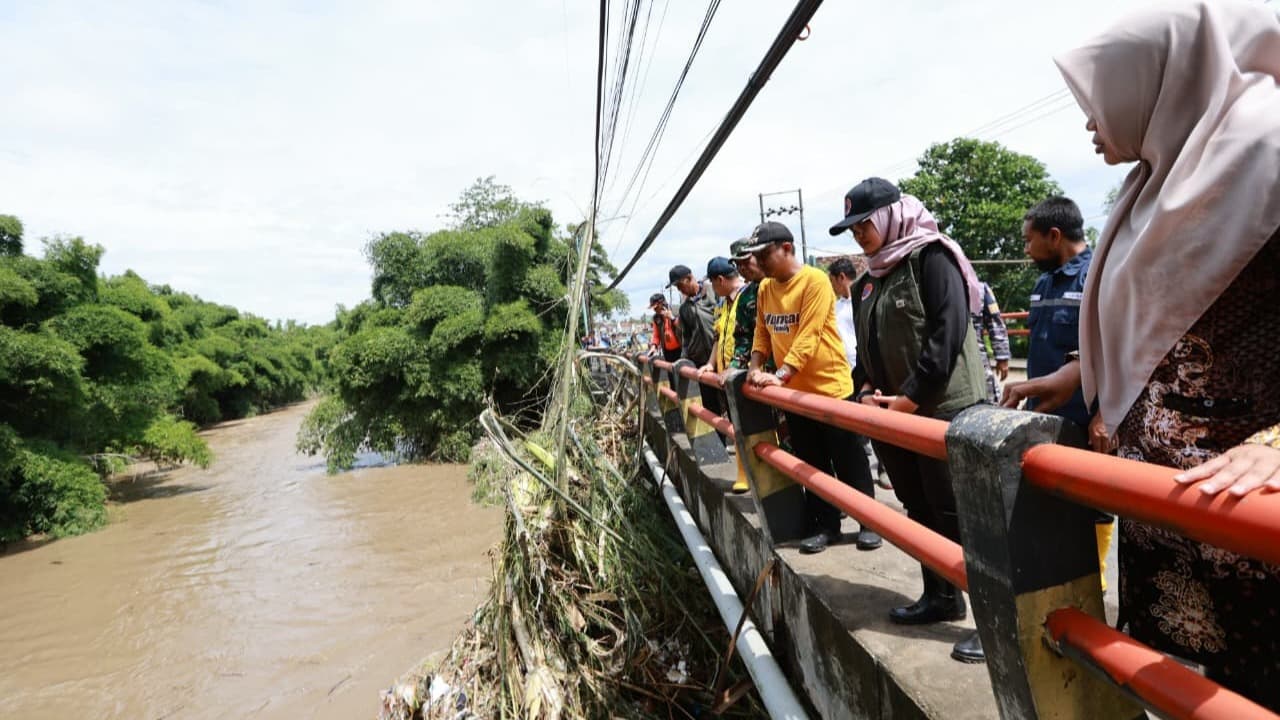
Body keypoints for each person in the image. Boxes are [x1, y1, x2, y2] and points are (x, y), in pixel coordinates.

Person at [1002, 1, 1280, 706]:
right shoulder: (1152, 186)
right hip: (1164, 503)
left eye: (1098, 99)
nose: (1090, 124)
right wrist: (1082, 372)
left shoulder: (1270, 153)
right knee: (1183, 680)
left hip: (1251, 506)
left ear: (1157, 79)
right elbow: (1166, 320)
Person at [829, 176, 988, 663]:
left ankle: (992, 619)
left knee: (962, 515)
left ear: (891, 215)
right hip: (895, 418)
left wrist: (907, 402)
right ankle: (940, 595)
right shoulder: (868, 281)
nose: (859, 236)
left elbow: (945, 338)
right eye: (852, 229)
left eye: (864, 224)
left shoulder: (931, 258)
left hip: (943, 412)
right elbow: (866, 352)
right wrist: (863, 391)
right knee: (918, 509)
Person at [745, 221, 882, 554]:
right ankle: (825, 525)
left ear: (787, 248)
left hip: (830, 388)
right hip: (794, 394)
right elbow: (763, 332)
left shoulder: (815, 281)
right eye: (757, 258)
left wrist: (781, 374)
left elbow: (809, 334)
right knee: (812, 462)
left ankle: (870, 522)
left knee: (849, 458)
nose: (759, 264)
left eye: (765, 255)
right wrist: (754, 366)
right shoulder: (765, 289)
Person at [1017, 195, 1115, 589]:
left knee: (1095, 505)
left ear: (1053, 236)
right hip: (1047, 417)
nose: (1025, 249)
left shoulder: (1100, 275)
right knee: (1051, 506)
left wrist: (1105, 413)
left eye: (1029, 240)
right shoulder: (1043, 283)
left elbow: (1114, 347)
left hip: (1087, 419)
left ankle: (1097, 581)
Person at [829, 257, 891, 491]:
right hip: (847, 373)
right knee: (855, 428)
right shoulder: (837, 306)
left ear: (840, 277)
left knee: (878, 422)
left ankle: (885, 467)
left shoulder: (865, 298)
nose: (833, 286)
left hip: (868, 369)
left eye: (833, 281)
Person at [669, 264, 726, 422]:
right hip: (701, 362)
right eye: (677, 287)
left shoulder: (714, 292)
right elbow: (686, 338)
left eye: (680, 285)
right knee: (710, 406)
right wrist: (684, 360)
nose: (680, 290)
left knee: (729, 400)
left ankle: (735, 441)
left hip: (722, 357)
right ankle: (720, 442)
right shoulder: (684, 309)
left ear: (689, 278)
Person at [972, 282, 1010, 404]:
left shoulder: (980, 289)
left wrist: (1002, 357)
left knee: (988, 399)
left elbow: (995, 323)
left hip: (977, 355)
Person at [648, 293, 681, 363]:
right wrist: (654, 346)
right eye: (653, 308)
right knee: (670, 371)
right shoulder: (656, 318)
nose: (655, 310)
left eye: (656, 307)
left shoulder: (677, 310)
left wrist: (672, 318)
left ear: (662, 303)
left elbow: (682, 328)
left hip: (681, 350)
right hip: (667, 352)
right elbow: (656, 335)